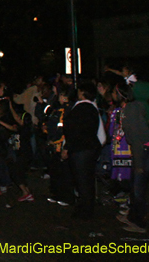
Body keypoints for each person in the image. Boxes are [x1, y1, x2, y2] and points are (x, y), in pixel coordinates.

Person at [118, 80, 149, 234]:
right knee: (135, 184)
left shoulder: (130, 111)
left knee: (138, 187)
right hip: (144, 147)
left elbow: (136, 140)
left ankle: (139, 223)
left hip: (145, 148)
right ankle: (132, 216)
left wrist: (140, 164)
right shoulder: (131, 108)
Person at [62, 81, 103, 220]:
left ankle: (85, 211)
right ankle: (87, 207)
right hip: (91, 148)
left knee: (82, 180)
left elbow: (72, 130)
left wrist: (67, 147)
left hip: (80, 149)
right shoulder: (93, 108)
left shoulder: (79, 109)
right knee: (88, 179)